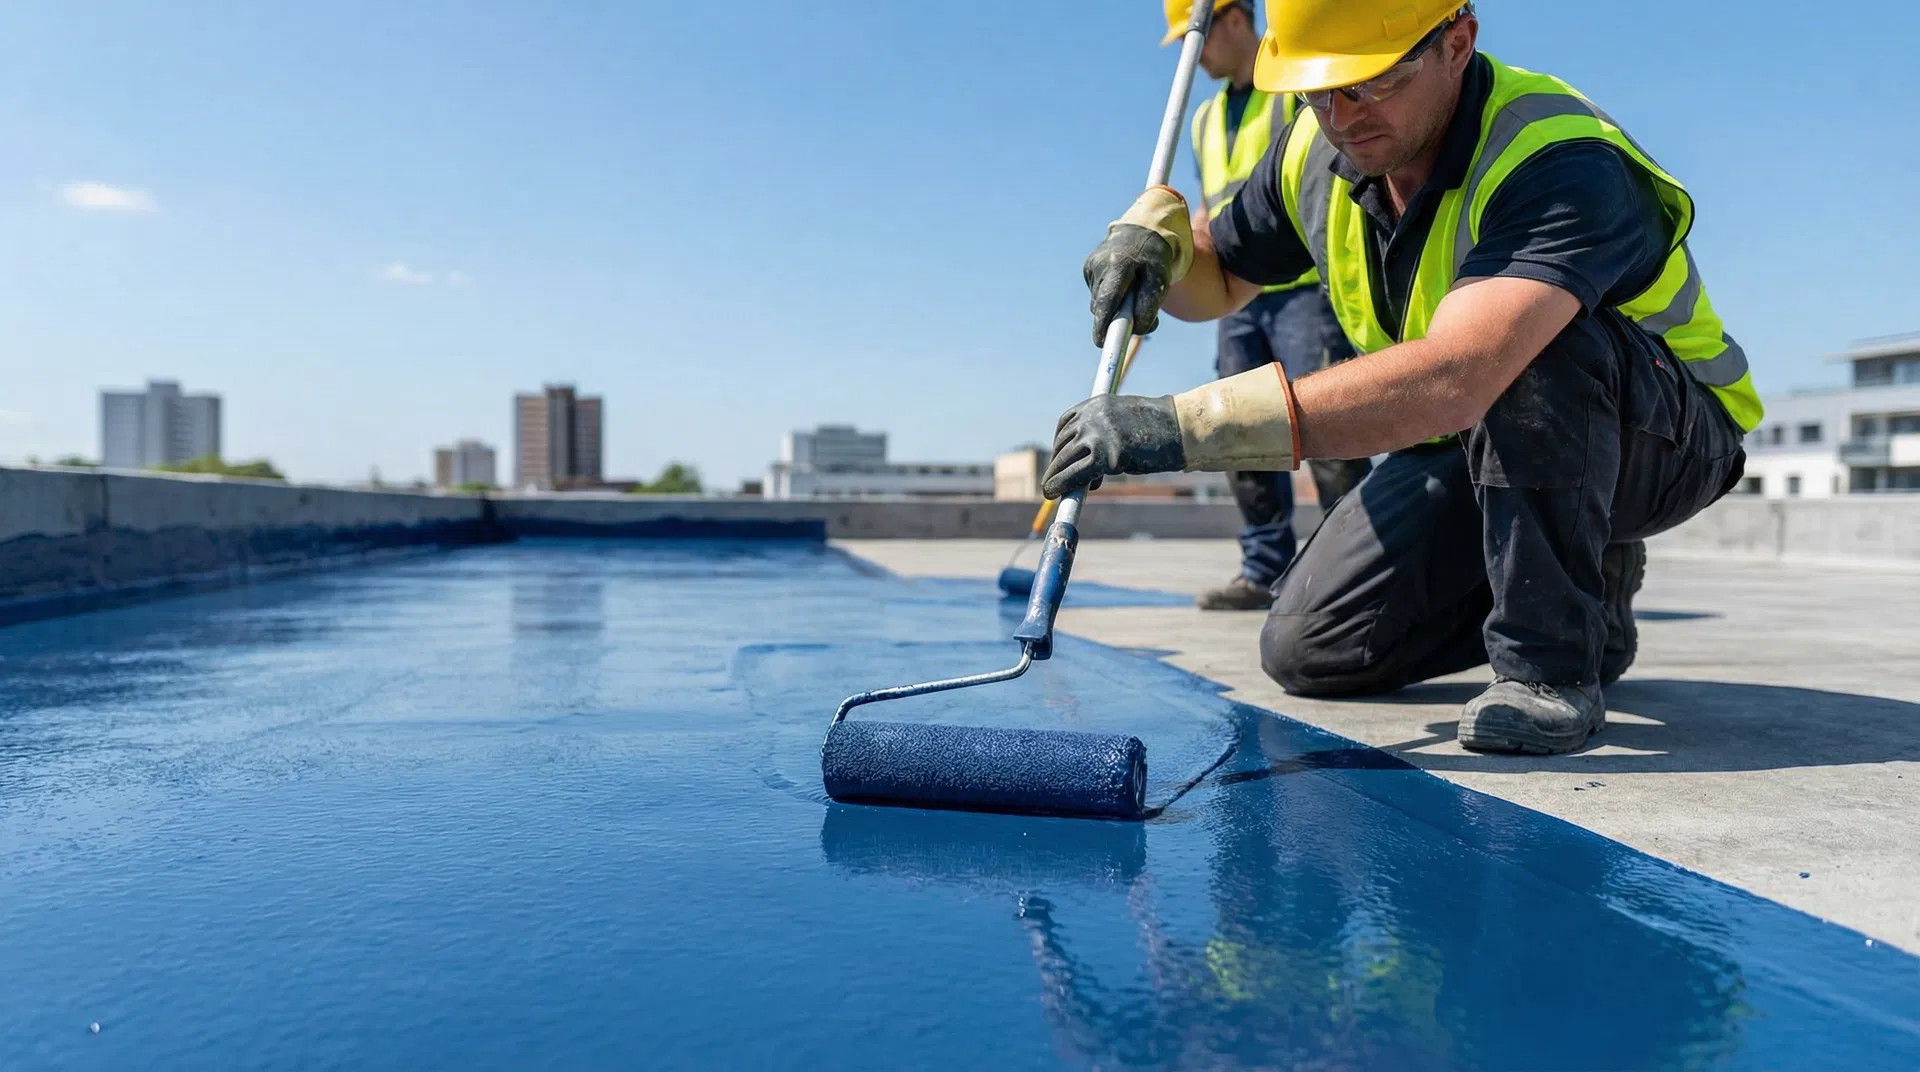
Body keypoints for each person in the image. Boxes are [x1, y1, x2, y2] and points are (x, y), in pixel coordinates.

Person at [1049, 1, 1761, 755]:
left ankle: (1549, 666)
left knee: (1532, 348)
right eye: (1317, 90)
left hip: (1659, 436)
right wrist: (1163, 250)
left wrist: (1184, 428)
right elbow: (1221, 279)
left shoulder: (1558, 157)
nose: (1341, 115)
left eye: (1371, 82)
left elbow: (1462, 371)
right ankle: (1593, 593)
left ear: (1457, 42)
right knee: (1313, 645)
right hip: (1474, 435)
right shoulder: (1316, 151)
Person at [1164, 0, 1372, 612]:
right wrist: (1172, 270)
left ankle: (1350, 570)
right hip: (1238, 297)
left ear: (1235, 18)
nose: (1193, 53)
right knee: (1240, 431)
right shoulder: (1205, 120)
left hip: (1302, 287)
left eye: (1197, 36)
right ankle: (1264, 568)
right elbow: (1210, 207)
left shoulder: (1294, 88)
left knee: (1331, 428)